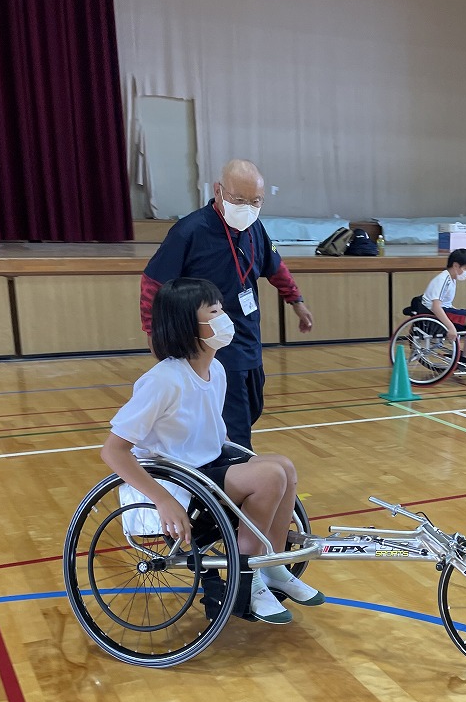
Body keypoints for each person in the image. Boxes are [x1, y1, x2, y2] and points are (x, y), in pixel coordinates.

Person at [106, 277, 324, 625]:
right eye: (214, 311)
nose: (225, 317)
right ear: (187, 324)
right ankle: (247, 579)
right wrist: (162, 499)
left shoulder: (216, 370)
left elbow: (213, 440)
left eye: (222, 309)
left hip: (205, 471)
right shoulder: (163, 380)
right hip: (177, 487)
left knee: (284, 466)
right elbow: (114, 451)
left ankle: (274, 566)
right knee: (268, 475)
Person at [139, 159, 314, 450]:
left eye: (255, 200)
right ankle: (236, 480)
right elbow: (152, 284)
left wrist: (296, 300)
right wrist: (152, 332)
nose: (247, 207)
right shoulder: (189, 231)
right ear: (218, 190)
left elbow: (275, 266)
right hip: (209, 342)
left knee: (251, 406)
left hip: (247, 336)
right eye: (239, 199)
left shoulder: (255, 228)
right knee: (235, 422)